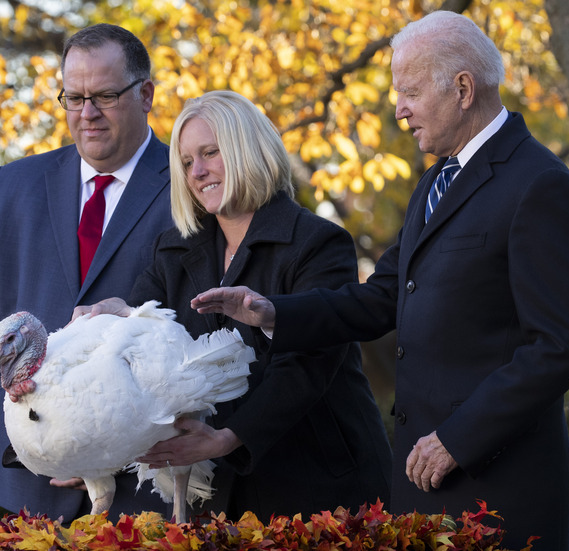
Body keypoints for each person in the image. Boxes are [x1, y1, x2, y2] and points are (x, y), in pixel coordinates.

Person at [191, 11, 569, 550]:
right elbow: (383, 297)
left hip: (499, 493)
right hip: (424, 490)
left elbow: (561, 346)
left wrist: (457, 439)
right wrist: (273, 313)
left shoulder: (540, 185)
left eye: (408, 92)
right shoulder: (435, 181)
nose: (398, 110)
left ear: (462, 88)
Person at [74, 90, 392, 521]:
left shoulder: (317, 242)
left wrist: (228, 436)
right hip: (215, 491)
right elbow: (139, 336)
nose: (197, 171)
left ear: (247, 149)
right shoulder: (172, 250)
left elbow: (308, 365)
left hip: (315, 484)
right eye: (186, 162)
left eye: (209, 153)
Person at [0, 23, 174, 522]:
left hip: (145, 494)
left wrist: (110, 448)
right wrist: (34, 439)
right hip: (27, 490)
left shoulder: (193, 187)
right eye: (73, 97)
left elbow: (199, 325)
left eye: (104, 95)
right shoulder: (11, 186)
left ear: (146, 94)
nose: (87, 113)